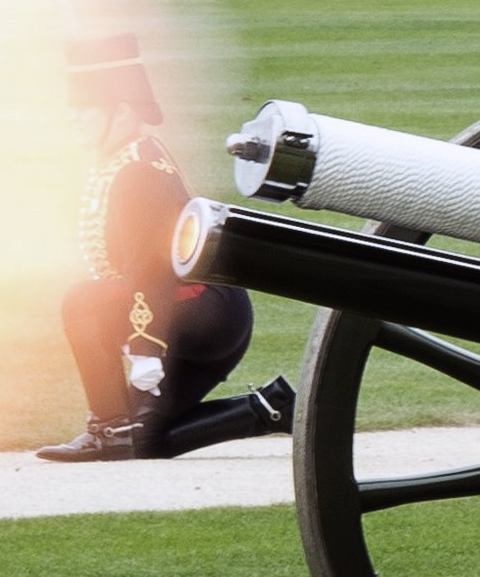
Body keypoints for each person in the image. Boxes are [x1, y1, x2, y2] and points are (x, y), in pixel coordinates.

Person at [37, 34, 292, 461]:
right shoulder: (125, 158)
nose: (75, 119)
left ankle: (107, 426)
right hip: (189, 311)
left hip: (200, 314)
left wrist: (144, 347)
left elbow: (150, 267)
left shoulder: (138, 172)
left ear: (120, 113)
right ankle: (268, 408)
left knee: (81, 302)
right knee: (147, 441)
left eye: (85, 109)